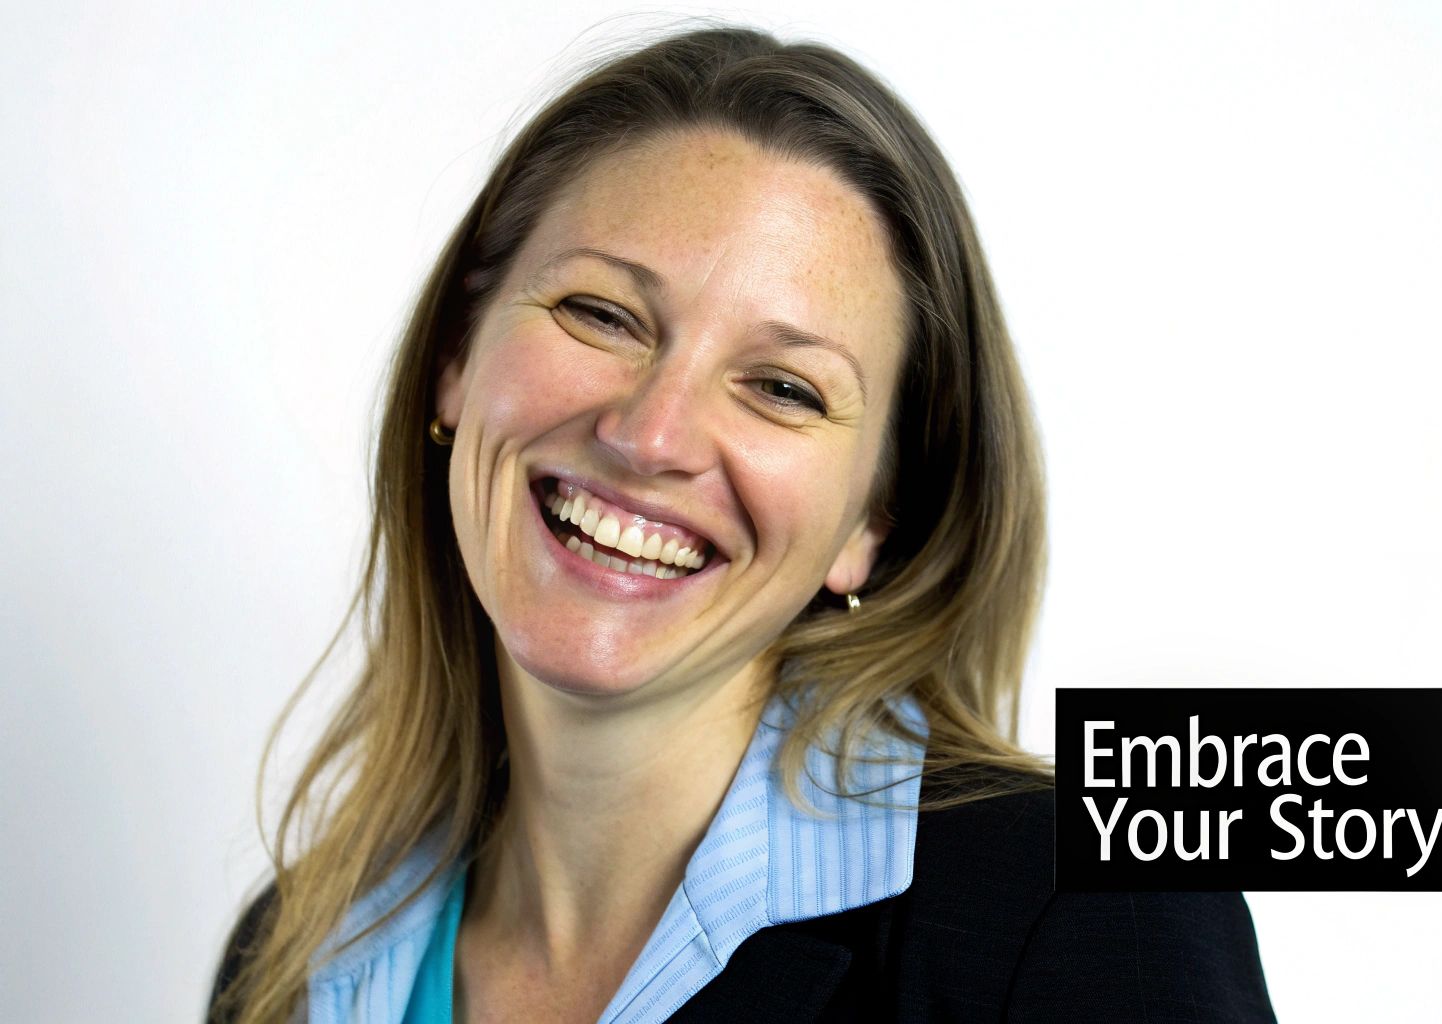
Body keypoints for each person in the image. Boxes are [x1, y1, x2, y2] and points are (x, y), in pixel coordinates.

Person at [207, 24, 1274, 1023]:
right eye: (601, 314)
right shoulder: (291, 960)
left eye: (781, 388)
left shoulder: (1086, 908)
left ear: (871, 523)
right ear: (454, 357)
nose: (651, 433)